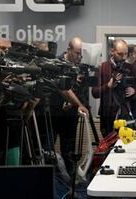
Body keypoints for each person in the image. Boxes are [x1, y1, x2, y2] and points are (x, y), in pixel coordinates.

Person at [48, 37, 90, 177]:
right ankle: (52, 183)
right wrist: (65, 101)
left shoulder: (81, 67)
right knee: (48, 150)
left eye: (81, 54)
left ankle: (70, 185)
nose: (79, 57)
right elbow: (54, 88)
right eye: (77, 53)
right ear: (68, 50)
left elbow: (83, 92)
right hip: (52, 115)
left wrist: (76, 104)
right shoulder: (55, 63)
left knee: (69, 153)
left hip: (71, 116)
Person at [92, 39, 136, 137]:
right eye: (120, 54)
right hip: (108, 115)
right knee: (108, 147)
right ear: (112, 51)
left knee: (127, 146)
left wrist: (134, 91)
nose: (123, 57)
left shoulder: (131, 68)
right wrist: (108, 86)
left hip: (125, 113)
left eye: (126, 54)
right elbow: (94, 93)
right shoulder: (102, 68)